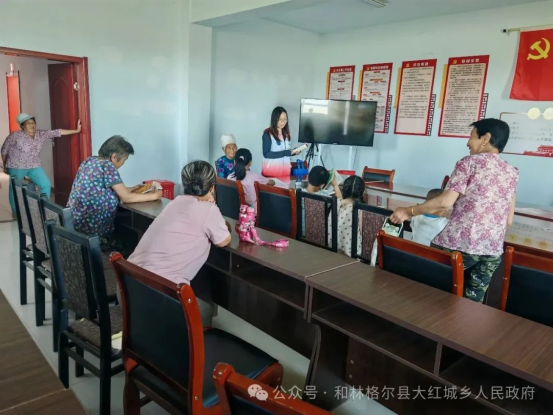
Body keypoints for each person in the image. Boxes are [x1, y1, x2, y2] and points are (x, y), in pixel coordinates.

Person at [390, 119, 518, 303]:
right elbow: (508, 221)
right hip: (491, 251)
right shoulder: (511, 172)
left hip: (457, 247)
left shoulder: (469, 163)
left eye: (472, 136)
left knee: (428, 295)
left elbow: (444, 202)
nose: (468, 142)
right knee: (470, 306)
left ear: (485, 138)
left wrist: (408, 211)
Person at [129, 160, 232, 326]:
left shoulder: (174, 202)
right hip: (158, 295)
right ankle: (183, 342)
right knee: (206, 309)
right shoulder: (208, 210)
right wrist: (213, 208)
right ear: (212, 188)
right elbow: (223, 240)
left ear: (185, 184)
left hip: (129, 286)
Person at [67, 135, 162, 257]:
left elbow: (104, 189)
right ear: (114, 157)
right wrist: (155, 195)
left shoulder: (90, 161)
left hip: (76, 227)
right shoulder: (107, 166)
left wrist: (132, 189)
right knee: (133, 238)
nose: (123, 164)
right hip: (94, 235)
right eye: (124, 160)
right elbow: (126, 198)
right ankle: (119, 267)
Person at [1, 113, 81, 216]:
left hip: (34, 165)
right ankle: (15, 211)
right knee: (15, 188)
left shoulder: (41, 134)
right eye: (28, 123)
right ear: (22, 126)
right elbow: (4, 150)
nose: (32, 125)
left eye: (33, 123)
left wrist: (76, 130)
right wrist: (5, 166)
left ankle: (43, 207)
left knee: (45, 184)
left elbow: (58, 132)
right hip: (16, 165)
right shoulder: (15, 136)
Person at [261, 106, 305, 177]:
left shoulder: (286, 134)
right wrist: (286, 153)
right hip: (271, 172)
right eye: (280, 119)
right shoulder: (268, 133)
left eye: (285, 119)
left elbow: (286, 152)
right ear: (274, 119)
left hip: (285, 172)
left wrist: (293, 152)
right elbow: (266, 154)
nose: (283, 122)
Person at [228, 148, 275, 213]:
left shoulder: (230, 177)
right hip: (252, 214)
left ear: (235, 162)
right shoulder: (255, 176)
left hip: (235, 212)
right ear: (250, 162)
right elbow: (272, 183)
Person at [328, 175, 365, 257]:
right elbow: (363, 231)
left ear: (344, 190)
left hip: (335, 248)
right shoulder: (360, 210)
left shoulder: (338, 204)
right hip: (352, 252)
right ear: (363, 192)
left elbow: (339, 197)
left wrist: (335, 185)